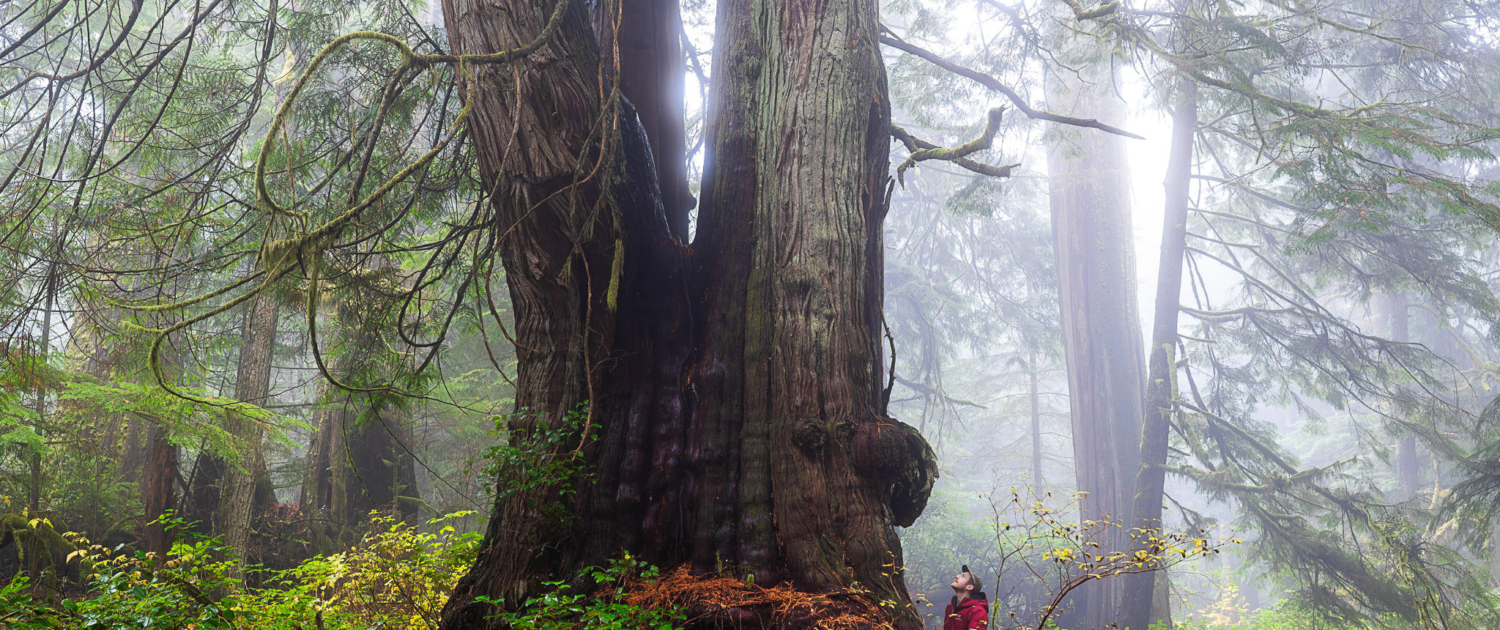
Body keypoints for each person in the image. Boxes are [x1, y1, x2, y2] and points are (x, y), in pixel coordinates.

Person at [943, 564, 989, 630]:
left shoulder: (977, 611)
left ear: (969, 587)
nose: (957, 576)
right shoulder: (950, 607)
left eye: (963, 576)